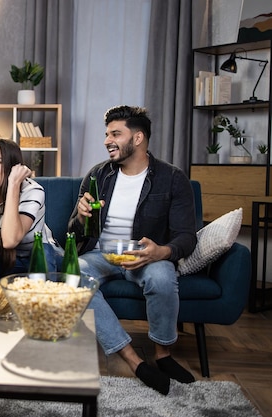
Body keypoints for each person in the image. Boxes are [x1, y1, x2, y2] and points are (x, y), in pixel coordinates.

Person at [69, 105, 197, 395]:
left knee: (162, 277)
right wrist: (80, 215)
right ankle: (134, 360)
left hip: (145, 255)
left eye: (116, 133)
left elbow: (187, 237)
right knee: (73, 274)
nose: (107, 140)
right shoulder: (98, 175)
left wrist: (159, 252)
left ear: (138, 138)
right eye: (106, 134)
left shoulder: (172, 178)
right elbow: (73, 232)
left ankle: (163, 356)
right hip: (101, 255)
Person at [0, 138, 62, 300]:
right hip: (4, 254)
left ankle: (43, 316)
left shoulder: (32, 191)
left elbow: (10, 240)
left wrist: (14, 183)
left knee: (44, 253)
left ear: (13, 168)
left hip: (38, 252)